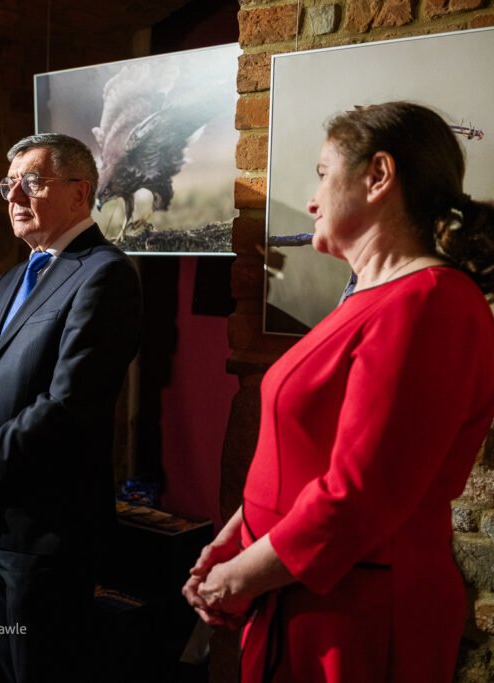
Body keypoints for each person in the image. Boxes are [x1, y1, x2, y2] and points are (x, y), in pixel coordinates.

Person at [183, 101, 494, 682]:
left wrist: (239, 576)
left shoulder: (430, 303)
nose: (312, 200)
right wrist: (237, 536)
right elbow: (304, 457)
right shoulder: (371, 298)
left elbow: (362, 492)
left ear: (378, 176)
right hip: (302, 589)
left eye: (324, 173)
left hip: (358, 612)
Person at [0, 133, 143, 682]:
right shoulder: (9, 280)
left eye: (32, 182)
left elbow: (70, 403)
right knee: (6, 668)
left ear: (79, 193)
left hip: (47, 530)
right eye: (9, 185)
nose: (15, 197)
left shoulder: (105, 273)